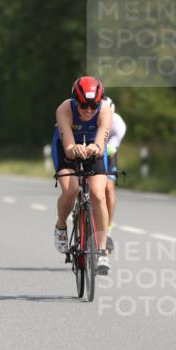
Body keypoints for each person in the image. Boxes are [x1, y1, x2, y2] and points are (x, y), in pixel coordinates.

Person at [52, 76, 112, 275]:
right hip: (67, 148)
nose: (88, 110)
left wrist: (95, 147)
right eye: (83, 105)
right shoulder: (64, 109)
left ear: (99, 103)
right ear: (75, 101)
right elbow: (68, 147)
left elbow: (101, 145)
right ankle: (61, 225)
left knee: (98, 194)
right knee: (71, 190)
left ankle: (102, 250)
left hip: (93, 149)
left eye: (93, 106)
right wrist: (74, 148)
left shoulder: (105, 110)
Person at [102, 97, 126, 251]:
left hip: (108, 153)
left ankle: (108, 228)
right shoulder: (92, 117)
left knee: (109, 189)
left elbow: (110, 150)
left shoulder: (118, 124)